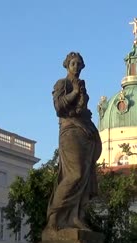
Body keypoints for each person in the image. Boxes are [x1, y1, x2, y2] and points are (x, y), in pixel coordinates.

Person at [45, 52, 102, 232]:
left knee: (84, 180)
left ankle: (76, 216)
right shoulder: (62, 83)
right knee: (75, 174)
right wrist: (75, 92)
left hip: (85, 132)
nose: (76, 66)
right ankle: (54, 215)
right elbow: (59, 107)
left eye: (79, 64)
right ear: (67, 65)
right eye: (73, 63)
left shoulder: (82, 85)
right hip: (70, 131)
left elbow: (81, 109)